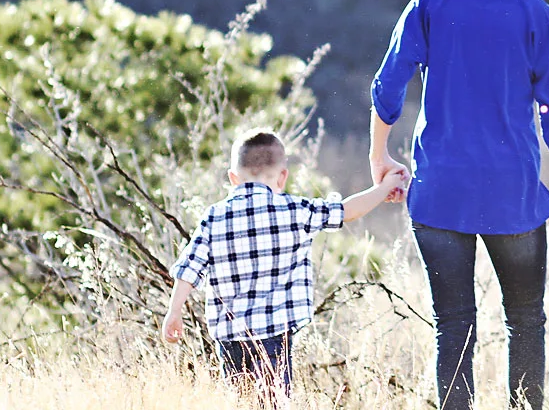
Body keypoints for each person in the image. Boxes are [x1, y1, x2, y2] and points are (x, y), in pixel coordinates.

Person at [370, 0, 549, 410]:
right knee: (526, 322)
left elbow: (387, 87)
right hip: (512, 192)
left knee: (454, 327)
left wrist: (380, 156)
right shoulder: (534, 12)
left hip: (440, 189)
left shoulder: (430, 3)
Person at [161, 128, 406, 400]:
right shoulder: (294, 210)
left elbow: (189, 269)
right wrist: (383, 188)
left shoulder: (214, 216)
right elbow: (347, 211)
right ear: (282, 177)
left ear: (233, 178)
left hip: (229, 337)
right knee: (274, 401)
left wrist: (174, 311)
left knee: (240, 402)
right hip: (274, 334)